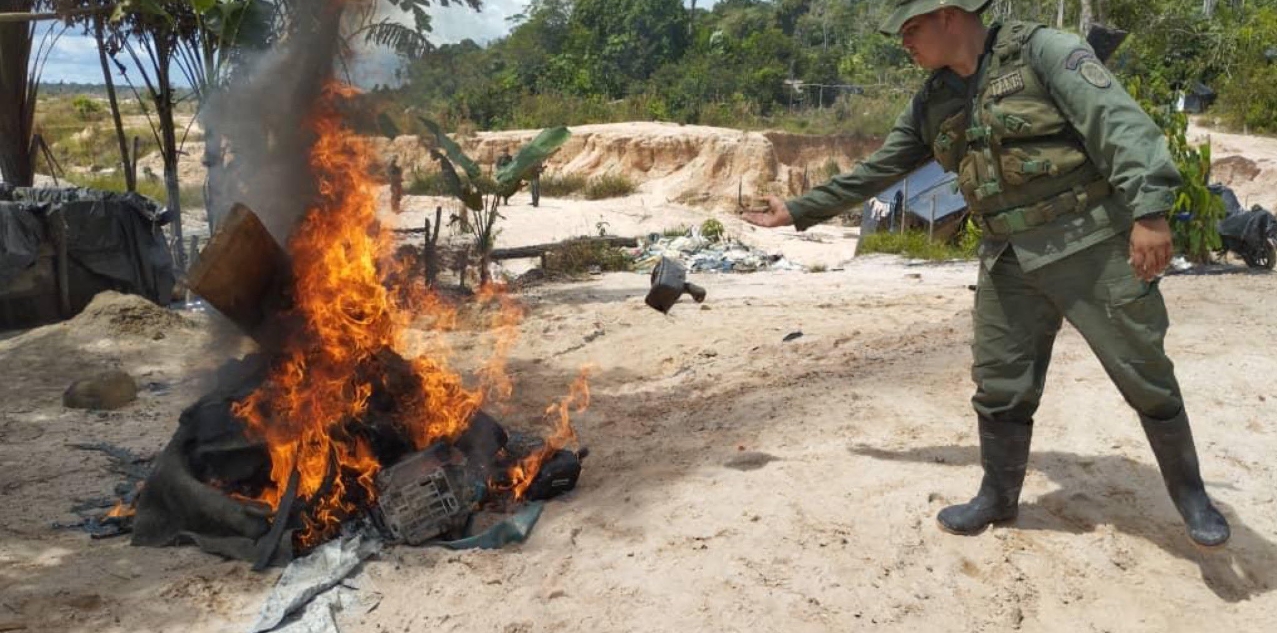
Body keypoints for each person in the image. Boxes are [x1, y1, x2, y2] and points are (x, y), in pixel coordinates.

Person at [742, 0, 1229, 546]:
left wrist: (1151, 213)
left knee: (1144, 370)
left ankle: (1192, 496)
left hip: (1089, 242)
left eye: (912, 28)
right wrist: (799, 209)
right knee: (999, 383)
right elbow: (880, 169)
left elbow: (1118, 125)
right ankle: (998, 496)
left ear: (949, 16)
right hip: (1007, 257)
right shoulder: (933, 100)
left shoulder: (1045, 53)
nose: (905, 42)